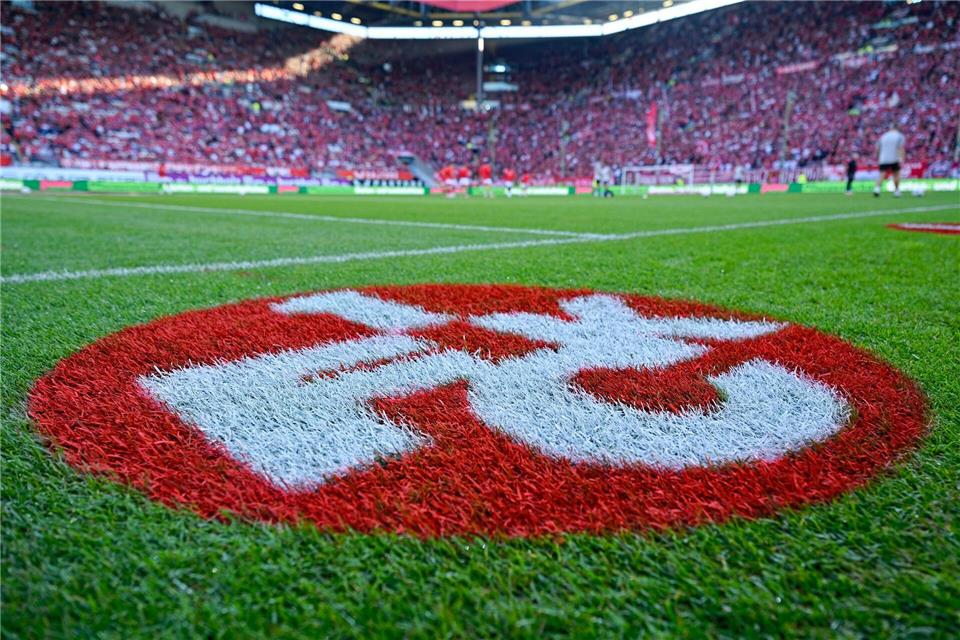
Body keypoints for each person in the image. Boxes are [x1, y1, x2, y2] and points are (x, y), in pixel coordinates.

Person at [874, 124, 905, 197]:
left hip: (883, 158)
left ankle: (877, 189)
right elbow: (900, 148)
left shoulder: (883, 136)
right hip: (894, 158)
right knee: (896, 174)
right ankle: (896, 191)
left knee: (881, 175)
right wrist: (902, 158)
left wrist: (878, 157)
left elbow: (878, 148)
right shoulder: (899, 136)